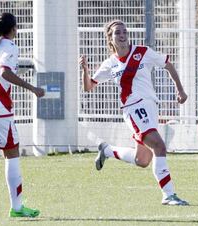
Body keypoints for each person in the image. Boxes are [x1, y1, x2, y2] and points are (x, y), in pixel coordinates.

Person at [79, 20, 189, 206]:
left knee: (142, 160)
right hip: (133, 109)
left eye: (124, 32)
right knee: (159, 147)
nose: (122, 35)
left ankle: (107, 150)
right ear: (110, 38)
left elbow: (167, 64)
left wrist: (180, 90)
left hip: (151, 107)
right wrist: (85, 70)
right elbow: (89, 86)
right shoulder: (110, 63)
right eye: (117, 33)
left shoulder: (142, 52)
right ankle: (168, 194)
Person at [0, 13, 44, 217]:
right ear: (13, 29)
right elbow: (3, 72)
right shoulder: (9, 46)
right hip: (0, 111)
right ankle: (17, 208)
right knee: (12, 155)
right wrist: (32, 88)